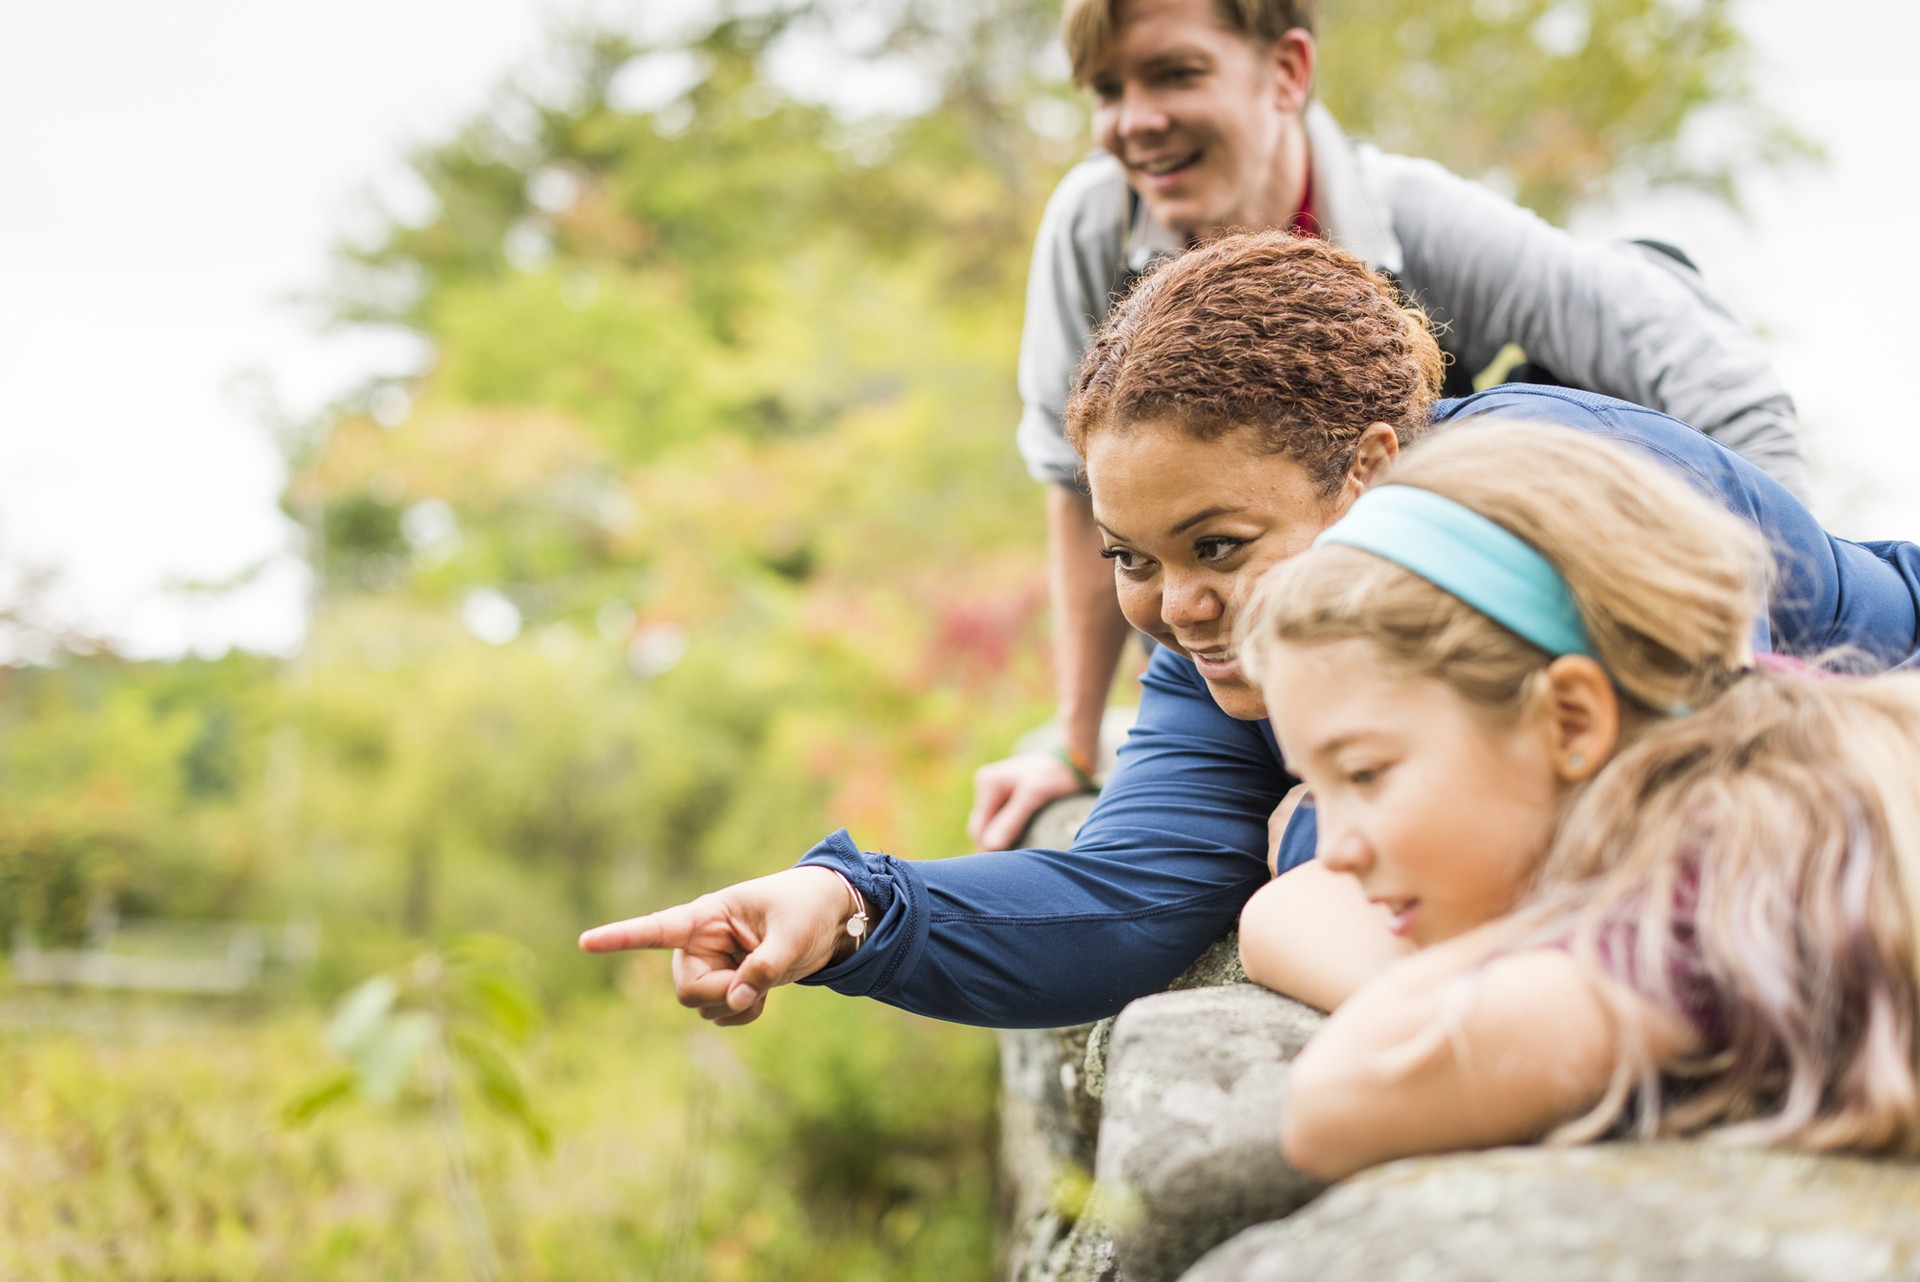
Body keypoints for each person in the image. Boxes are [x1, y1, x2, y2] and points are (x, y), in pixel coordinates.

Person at [578, 232, 1920, 1033]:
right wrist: (857, 906)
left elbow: (1774, 746)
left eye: (1218, 546)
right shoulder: (1210, 655)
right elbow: (1119, 900)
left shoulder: (1601, 509)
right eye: (1130, 558)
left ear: (1370, 470)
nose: (1175, 608)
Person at [968, 0, 1812, 853]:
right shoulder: (1094, 226)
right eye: (1107, 89)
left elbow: (1720, 384)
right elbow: (1091, 501)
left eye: (1177, 75)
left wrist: (1756, 651)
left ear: (1287, 72)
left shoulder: (1415, 215)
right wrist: (1077, 744)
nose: (1136, 121)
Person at [1232, 421, 1920, 1181]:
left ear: (1572, 721)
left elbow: (1340, 1103)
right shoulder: (1738, 743)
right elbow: (1272, 916)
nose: (1335, 847)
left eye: (1364, 775)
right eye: (1316, 787)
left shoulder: (1721, 877)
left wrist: (1481, 979)